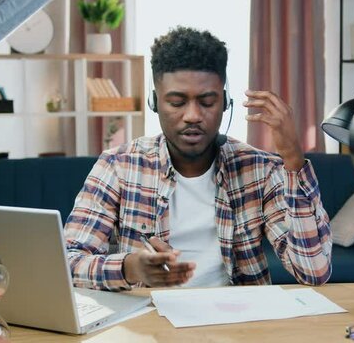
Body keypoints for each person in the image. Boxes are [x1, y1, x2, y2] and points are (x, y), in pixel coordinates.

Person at [64, 26, 332, 291]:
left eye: (206, 101)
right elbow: (69, 262)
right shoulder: (118, 166)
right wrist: (130, 267)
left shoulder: (260, 170)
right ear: (154, 102)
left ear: (225, 102)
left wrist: (293, 160)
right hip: (151, 323)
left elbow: (313, 272)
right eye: (177, 102)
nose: (192, 115)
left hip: (237, 324)